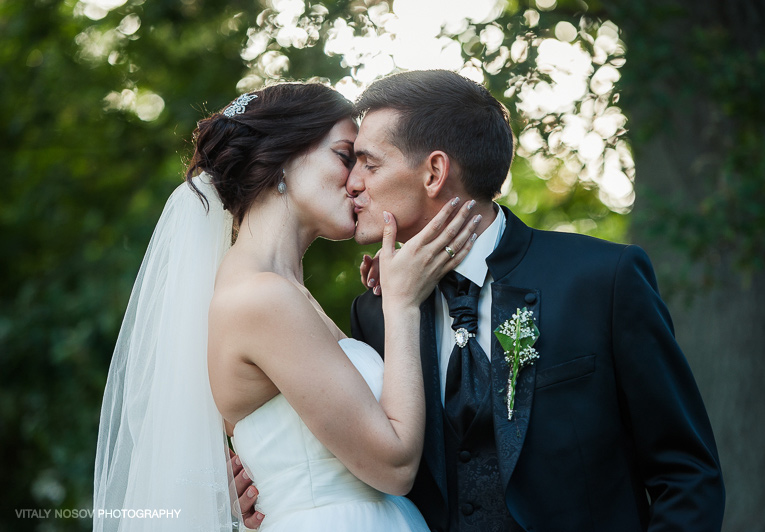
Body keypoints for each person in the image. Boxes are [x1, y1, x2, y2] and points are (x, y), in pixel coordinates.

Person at [238, 70, 725, 531]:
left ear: (434, 173)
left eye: (369, 162)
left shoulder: (602, 280)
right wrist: (256, 484)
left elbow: (685, 472)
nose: (352, 182)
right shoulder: (378, 313)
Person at [94, 82, 481, 532]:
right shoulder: (261, 298)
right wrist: (402, 303)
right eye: (343, 156)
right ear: (282, 158)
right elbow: (393, 467)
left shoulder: (281, 293)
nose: (358, 182)